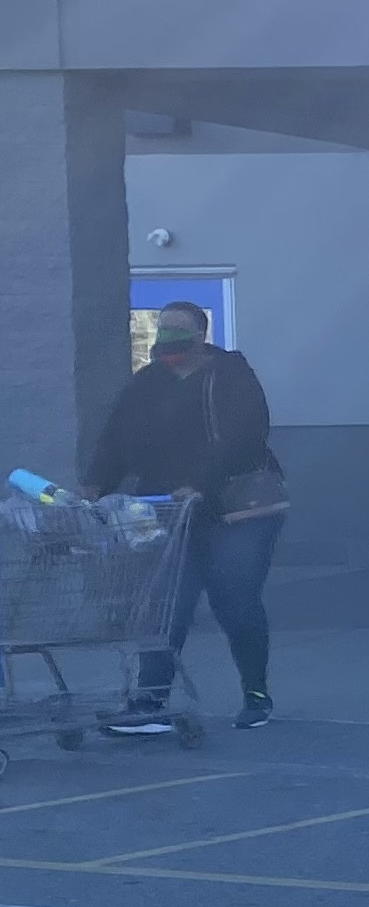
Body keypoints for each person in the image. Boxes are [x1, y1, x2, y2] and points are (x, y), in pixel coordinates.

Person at [85, 301, 287, 732]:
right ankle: (150, 703)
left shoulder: (230, 375)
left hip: (236, 509)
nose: (168, 337)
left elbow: (245, 434)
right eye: (163, 328)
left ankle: (255, 694)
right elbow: (115, 440)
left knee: (233, 595)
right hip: (174, 511)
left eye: (178, 329)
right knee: (167, 605)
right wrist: (94, 486)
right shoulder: (147, 383)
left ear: (200, 334)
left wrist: (201, 482)